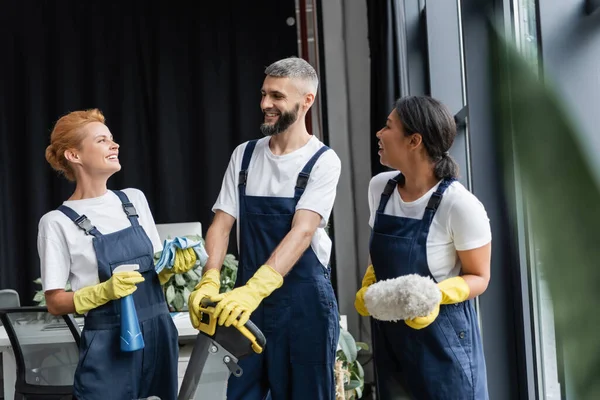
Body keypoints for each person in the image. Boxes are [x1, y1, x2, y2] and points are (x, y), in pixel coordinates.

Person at [188, 56, 341, 400]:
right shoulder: (244, 155)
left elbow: (303, 231)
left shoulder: (323, 161)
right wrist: (210, 275)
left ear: (307, 101)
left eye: (277, 97)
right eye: (263, 94)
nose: (265, 105)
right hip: (249, 308)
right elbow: (222, 223)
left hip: (304, 309)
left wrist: (256, 288)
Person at [38, 109, 196, 400]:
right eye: (102, 140)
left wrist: (172, 267)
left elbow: (155, 269)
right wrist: (102, 292)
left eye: (112, 139)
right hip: (108, 343)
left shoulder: (133, 200)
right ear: (74, 155)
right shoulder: (57, 222)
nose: (115, 145)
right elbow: (55, 302)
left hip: (159, 333)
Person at [355, 96, 491, 399]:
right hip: (393, 342)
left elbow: (479, 277)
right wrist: (370, 281)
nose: (379, 133)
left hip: (444, 344)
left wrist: (432, 296)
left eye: (388, 127)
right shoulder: (380, 188)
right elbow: (379, 255)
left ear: (414, 140)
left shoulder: (459, 204)